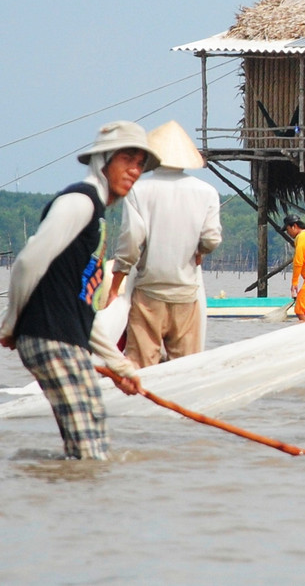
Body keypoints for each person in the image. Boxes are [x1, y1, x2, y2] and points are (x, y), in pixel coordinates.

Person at [0, 121, 154, 459]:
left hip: (65, 338)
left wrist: (120, 366)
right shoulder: (79, 202)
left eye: (140, 164)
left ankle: (50, 492)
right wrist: (11, 324)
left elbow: (80, 312)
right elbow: (27, 263)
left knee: (93, 445)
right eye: (127, 159)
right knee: (89, 452)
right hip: (50, 338)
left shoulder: (96, 216)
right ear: (103, 160)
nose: (135, 170)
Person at [109, 121, 223, 369]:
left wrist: (114, 287)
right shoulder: (207, 192)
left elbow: (130, 243)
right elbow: (212, 239)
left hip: (148, 293)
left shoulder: (139, 190)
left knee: (140, 369)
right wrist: (200, 251)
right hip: (186, 293)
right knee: (184, 371)